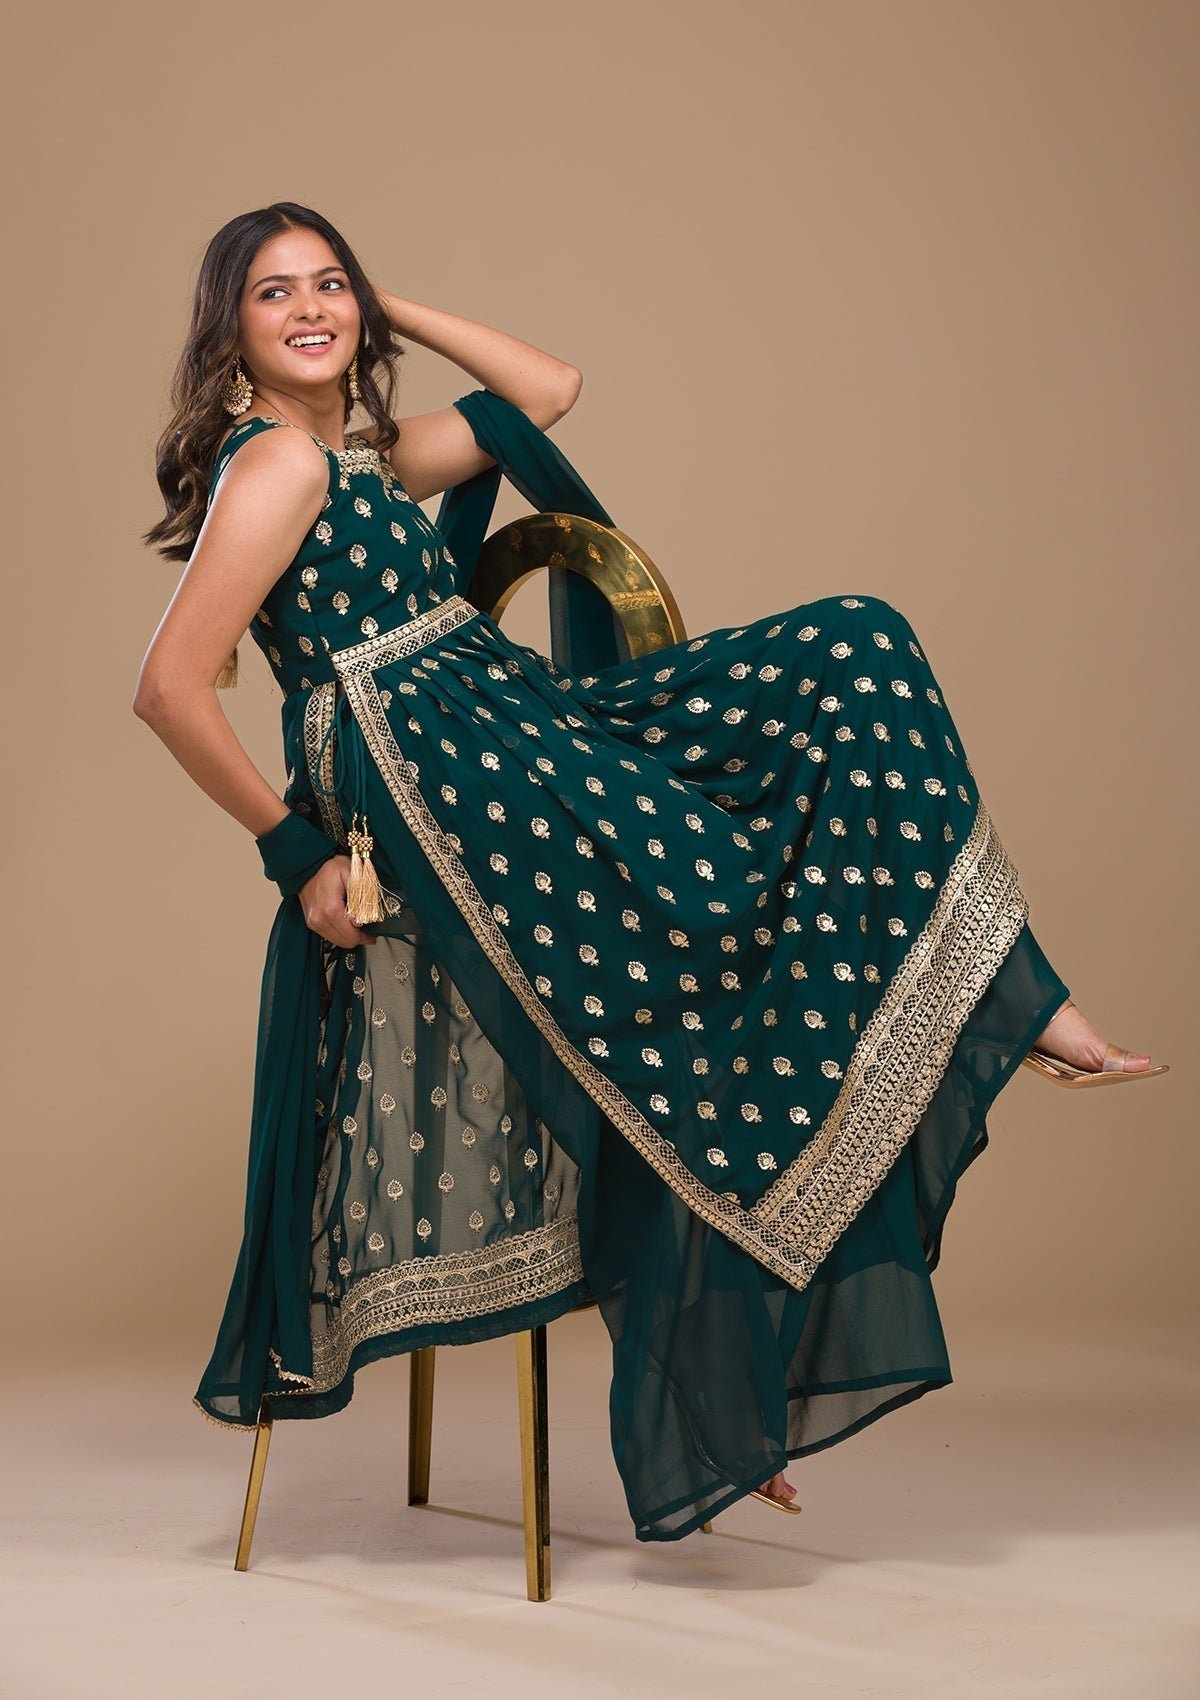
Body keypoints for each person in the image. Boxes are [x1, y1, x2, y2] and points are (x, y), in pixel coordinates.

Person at [135, 202, 1168, 1543]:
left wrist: (391, 308)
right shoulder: (278, 465)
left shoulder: (363, 455)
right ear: (232, 331)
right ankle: (732, 1374)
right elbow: (170, 686)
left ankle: (994, 1010)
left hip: (506, 720)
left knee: (852, 655)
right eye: (278, 293)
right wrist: (299, 856)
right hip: (434, 764)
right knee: (685, 971)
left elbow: (546, 390)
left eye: (332, 284)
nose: (314, 310)